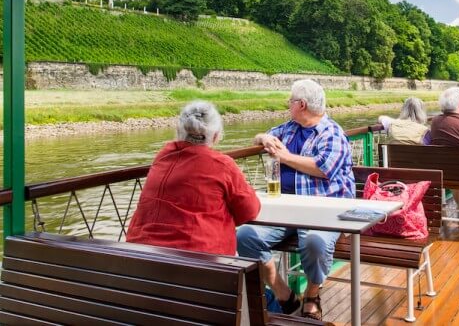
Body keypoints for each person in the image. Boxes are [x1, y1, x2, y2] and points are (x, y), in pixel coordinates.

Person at [237, 79, 354, 321]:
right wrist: (263, 139)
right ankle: (283, 292)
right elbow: (262, 136)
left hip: (324, 209)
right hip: (286, 208)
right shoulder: (289, 127)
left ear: (301, 104)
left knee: (314, 241)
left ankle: (312, 295)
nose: (288, 105)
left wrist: (285, 156)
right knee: (244, 236)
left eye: (290, 101)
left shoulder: (333, 133)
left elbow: (322, 168)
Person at [127, 101, 260, 256]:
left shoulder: (163, 156)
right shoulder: (222, 164)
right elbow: (249, 211)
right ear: (216, 136)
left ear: (179, 130)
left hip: (139, 259)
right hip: (201, 265)